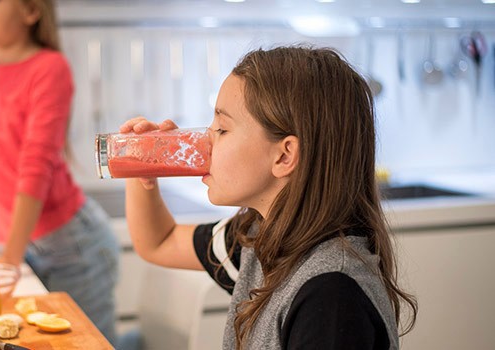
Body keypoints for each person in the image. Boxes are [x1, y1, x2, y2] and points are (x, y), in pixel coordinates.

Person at [122, 46, 418, 349]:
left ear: (285, 155)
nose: (203, 143)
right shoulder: (259, 237)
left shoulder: (331, 296)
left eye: (222, 129)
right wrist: (142, 168)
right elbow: (160, 241)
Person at [0, 0, 119, 344]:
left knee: (87, 343)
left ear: (31, 11)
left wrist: (8, 261)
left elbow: (35, 169)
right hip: (21, 245)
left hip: (74, 249)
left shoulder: (50, 68)